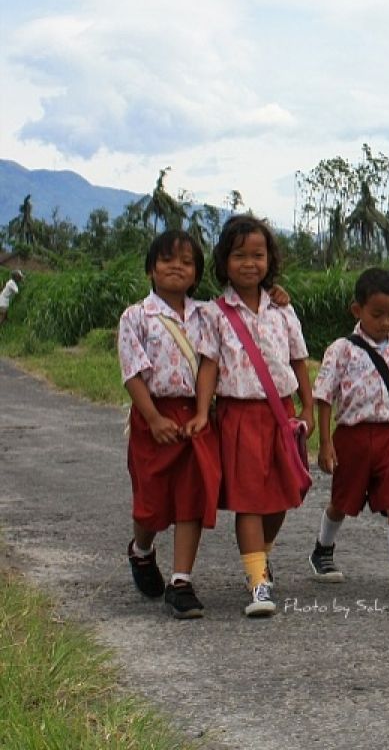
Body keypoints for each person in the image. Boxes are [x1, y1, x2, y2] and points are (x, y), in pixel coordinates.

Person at [192, 215, 314, 618]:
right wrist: (200, 412)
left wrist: (309, 407)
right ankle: (258, 583)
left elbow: (299, 360)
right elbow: (208, 366)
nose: (250, 263)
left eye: (258, 255)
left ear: (270, 260)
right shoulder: (214, 313)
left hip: (281, 414)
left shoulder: (283, 309)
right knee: (249, 501)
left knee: (282, 495)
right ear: (224, 261)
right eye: (240, 255)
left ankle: (261, 556)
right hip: (239, 414)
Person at [310, 267, 389, 597]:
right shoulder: (341, 349)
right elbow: (323, 396)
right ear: (357, 310)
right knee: (342, 501)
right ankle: (323, 548)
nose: (386, 322)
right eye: (377, 314)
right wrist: (325, 444)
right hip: (353, 437)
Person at [117, 232, 221, 619]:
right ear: (150, 269)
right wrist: (154, 419)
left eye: (187, 261)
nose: (176, 266)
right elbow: (132, 373)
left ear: (196, 273)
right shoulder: (135, 316)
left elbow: (210, 361)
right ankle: (141, 550)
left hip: (194, 416)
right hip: (152, 416)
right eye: (166, 259)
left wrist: (201, 411)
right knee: (151, 502)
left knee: (191, 494)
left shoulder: (207, 314)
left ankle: (181, 581)